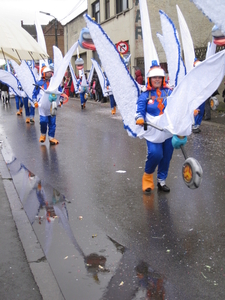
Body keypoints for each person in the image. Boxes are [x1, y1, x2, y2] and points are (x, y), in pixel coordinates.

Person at [135, 61, 174, 193]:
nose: (157, 80)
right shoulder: (145, 94)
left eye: (159, 77)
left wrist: (190, 112)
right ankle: (147, 177)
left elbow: (179, 104)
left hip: (168, 129)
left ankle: (161, 181)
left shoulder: (169, 92)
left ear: (163, 78)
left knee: (167, 155)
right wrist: (139, 118)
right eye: (154, 77)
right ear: (150, 79)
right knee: (156, 154)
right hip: (153, 130)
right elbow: (139, 109)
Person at [32, 66, 62, 145]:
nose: (50, 73)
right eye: (48, 72)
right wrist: (35, 101)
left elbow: (60, 92)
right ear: (44, 73)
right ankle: (43, 134)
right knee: (43, 121)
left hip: (53, 105)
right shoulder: (39, 83)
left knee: (52, 122)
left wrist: (60, 100)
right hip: (43, 106)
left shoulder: (54, 83)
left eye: (50, 72)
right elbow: (34, 94)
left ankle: (51, 138)